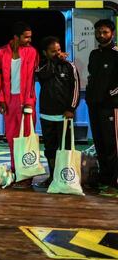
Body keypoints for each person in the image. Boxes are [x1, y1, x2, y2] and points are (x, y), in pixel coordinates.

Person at [0, 21, 40, 187]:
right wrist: (1, 100)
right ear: (16, 37)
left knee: (27, 137)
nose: (29, 40)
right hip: (9, 100)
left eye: (30, 37)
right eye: (26, 37)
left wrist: (29, 102)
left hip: (26, 101)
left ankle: (27, 174)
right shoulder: (1, 52)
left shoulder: (32, 52)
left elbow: (30, 81)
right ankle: (16, 171)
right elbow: (0, 79)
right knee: (12, 138)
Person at [35, 36, 80, 189]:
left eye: (59, 50)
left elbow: (76, 88)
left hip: (64, 116)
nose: (58, 53)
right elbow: (42, 75)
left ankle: (65, 177)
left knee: (65, 148)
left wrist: (71, 108)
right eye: (53, 51)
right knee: (50, 148)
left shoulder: (69, 66)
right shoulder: (42, 66)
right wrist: (54, 61)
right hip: (46, 114)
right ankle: (52, 176)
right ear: (45, 53)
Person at [85, 19, 118, 195]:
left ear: (112, 33)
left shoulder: (116, 53)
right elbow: (92, 77)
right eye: (98, 32)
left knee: (112, 144)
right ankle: (105, 178)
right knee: (100, 143)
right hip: (94, 105)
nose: (101, 35)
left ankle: (115, 182)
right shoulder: (94, 54)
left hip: (111, 106)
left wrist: (109, 95)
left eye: (104, 32)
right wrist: (91, 97)